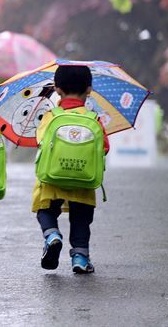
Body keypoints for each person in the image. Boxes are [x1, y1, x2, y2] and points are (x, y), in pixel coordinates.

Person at [33, 65, 109, 274]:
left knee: (46, 210)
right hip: (84, 180)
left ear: (57, 89)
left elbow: (40, 140)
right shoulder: (94, 119)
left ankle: (52, 235)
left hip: (52, 178)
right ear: (89, 90)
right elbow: (104, 147)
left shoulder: (51, 116)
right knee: (81, 218)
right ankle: (80, 258)